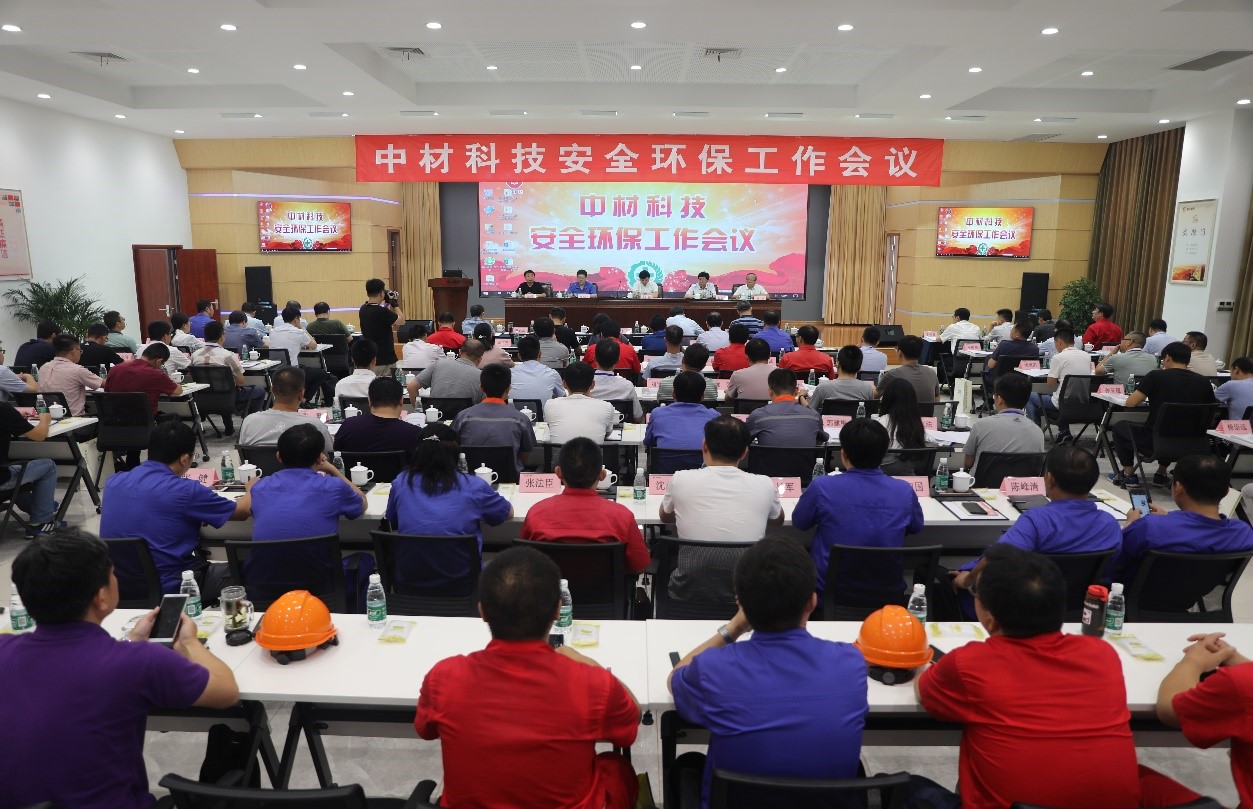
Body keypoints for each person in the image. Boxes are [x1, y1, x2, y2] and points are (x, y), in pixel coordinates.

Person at [0, 529, 239, 809]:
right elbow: (227, 692)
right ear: (101, 597)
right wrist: (189, 642)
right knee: (241, 731)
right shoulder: (140, 662)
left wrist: (133, 641)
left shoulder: (5, 649)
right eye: (112, 574)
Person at [910, 544, 1142, 809]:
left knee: (901, 788)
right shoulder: (1102, 655)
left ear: (990, 619)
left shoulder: (968, 664)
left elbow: (923, 691)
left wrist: (923, 662)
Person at [416, 546, 639, 809]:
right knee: (617, 767)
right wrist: (588, 663)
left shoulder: (443, 678)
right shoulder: (594, 684)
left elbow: (425, 730)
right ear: (558, 610)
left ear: (482, 612)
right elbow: (630, 722)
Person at [669, 537, 867, 809]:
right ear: (812, 601)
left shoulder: (713, 669)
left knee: (686, 764)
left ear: (741, 603)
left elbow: (675, 676)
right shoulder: (851, 663)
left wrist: (734, 627)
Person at [100, 421, 253, 598]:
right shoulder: (187, 491)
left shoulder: (114, 482)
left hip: (120, 588)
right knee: (256, 569)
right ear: (184, 459)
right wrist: (253, 486)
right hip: (174, 586)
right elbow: (242, 511)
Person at [950, 446, 1122, 601]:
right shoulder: (1110, 524)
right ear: (1093, 481)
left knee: (947, 580)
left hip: (1028, 609)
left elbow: (997, 558)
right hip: (1082, 609)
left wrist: (967, 580)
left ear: (1050, 479)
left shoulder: (1037, 520)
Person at [793, 419, 923, 602]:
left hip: (829, 596)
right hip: (887, 598)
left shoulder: (822, 486)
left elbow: (800, 523)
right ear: (884, 454)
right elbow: (916, 527)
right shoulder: (904, 491)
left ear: (843, 454)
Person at [660, 417, 784, 601]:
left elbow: (665, 517)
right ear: (745, 452)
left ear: (704, 446)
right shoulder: (764, 483)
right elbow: (777, 520)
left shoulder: (680, 478)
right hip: (747, 596)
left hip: (688, 592)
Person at [1112, 453, 1253, 581]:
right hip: (1192, 595)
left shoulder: (1149, 527)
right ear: (1227, 492)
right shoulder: (1243, 533)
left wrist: (1130, 523)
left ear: (1178, 487)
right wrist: (1169, 518)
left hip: (1129, 597)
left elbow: (1113, 562)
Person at [519, 437, 650, 573]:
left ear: (558, 473)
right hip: (604, 588)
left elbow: (522, 563)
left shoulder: (536, 514)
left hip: (550, 587)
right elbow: (640, 566)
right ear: (602, 475)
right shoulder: (622, 517)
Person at [1154, 632, 1253, 808]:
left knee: (1133, 778)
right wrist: (1230, 655)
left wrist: (1193, 661)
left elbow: (1169, 708)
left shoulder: (1241, 684)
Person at [387, 423, 512, 553]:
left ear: (418, 452)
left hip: (410, 565)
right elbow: (507, 513)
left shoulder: (401, 481)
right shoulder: (473, 486)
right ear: (456, 454)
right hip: (463, 566)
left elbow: (393, 518)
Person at [1110, 341, 1216, 488]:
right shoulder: (1204, 382)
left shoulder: (1156, 376)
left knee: (1120, 426)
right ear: (1188, 360)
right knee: (1174, 423)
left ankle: (1128, 474)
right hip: (1193, 443)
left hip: (1154, 441)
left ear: (1167, 358)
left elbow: (1131, 403)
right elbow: (1211, 408)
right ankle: (1161, 474)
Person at [250, 422, 366, 542]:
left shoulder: (259, 487)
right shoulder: (335, 486)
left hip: (265, 555)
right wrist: (333, 469)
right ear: (319, 458)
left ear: (279, 456)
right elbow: (362, 502)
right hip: (321, 555)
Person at [452, 363, 537, 473]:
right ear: (508, 389)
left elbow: (453, 448)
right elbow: (524, 455)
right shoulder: (521, 419)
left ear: (481, 388)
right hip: (510, 478)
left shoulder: (463, 417)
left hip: (470, 477)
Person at [0, 401, 62, 537]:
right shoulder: (3, 409)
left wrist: (15, 416)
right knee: (48, 466)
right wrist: (45, 420)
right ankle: (41, 522)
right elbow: (40, 435)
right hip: (2, 480)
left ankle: (42, 507)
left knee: (17, 471)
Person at [237, 366, 334, 453]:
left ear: (272, 390)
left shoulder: (249, 421)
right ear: (301, 394)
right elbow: (331, 453)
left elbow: (243, 453)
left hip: (261, 468)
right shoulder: (314, 425)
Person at [191, 321, 265, 434]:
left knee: (224, 389)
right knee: (259, 391)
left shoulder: (195, 355)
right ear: (222, 336)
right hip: (228, 400)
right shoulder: (228, 355)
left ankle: (229, 427)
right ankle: (249, 426)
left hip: (203, 399)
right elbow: (240, 382)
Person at [963, 373, 1045, 473]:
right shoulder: (1037, 432)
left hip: (983, 483)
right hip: (1021, 483)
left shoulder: (980, 425)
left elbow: (968, 463)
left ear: (999, 399)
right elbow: (1037, 470)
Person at [1025, 328, 1090, 442]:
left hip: (1061, 404)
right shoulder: (1086, 356)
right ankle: (1064, 432)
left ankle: (1035, 434)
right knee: (1060, 394)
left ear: (1059, 342)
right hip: (1082, 403)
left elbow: (1050, 384)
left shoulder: (1058, 357)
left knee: (1028, 395)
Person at [104, 342, 180, 438]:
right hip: (145, 423)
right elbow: (178, 391)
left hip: (115, 422)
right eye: (162, 364)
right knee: (174, 417)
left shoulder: (115, 369)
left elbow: (107, 391)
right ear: (158, 361)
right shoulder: (156, 374)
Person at [334, 377, 422, 453]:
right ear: (401, 400)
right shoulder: (415, 434)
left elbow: (336, 454)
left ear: (369, 400)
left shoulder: (348, 426)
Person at [269, 305, 334, 405]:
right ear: (296, 319)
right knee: (322, 374)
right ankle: (303, 400)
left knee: (305, 370)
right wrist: (302, 328)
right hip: (292, 372)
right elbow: (314, 345)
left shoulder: (273, 331)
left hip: (274, 371)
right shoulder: (298, 332)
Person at [744, 368, 823, 447]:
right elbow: (820, 442)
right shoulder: (814, 416)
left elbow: (743, 441)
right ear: (796, 391)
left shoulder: (758, 416)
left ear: (770, 392)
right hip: (805, 456)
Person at [645, 371, 719, 451]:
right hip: (703, 459)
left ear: (673, 394)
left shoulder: (657, 414)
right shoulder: (714, 417)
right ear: (703, 397)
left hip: (666, 459)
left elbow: (648, 441)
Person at [545, 361, 617, 444]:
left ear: (564, 384)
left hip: (560, 453)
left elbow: (551, 428)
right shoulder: (606, 407)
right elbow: (607, 433)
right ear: (593, 384)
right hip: (592, 452)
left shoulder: (550, 405)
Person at [37, 335, 104, 417]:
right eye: (80, 351)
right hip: (76, 420)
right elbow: (105, 384)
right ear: (74, 351)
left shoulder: (43, 368)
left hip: (50, 420)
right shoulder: (77, 370)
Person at [808, 345, 872, 413]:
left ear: (838, 365)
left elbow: (810, 411)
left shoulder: (822, 388)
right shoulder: (867, 389)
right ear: (859, 368)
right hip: (856, 420)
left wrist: (801, 397)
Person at [417, 339, 485, 402]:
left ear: (459, 352)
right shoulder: (482, 377)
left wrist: (418, 408)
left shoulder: (438, 364)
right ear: (479, 360)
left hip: (435, 410)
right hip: (467, 411)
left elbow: (412, 387)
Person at [590, 339, 642, 421]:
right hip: (620, 426)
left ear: (595, 359)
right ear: (618, 360)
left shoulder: (585, 386)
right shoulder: (627, 386)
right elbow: (638, 418)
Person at [876, 335, 938, 404]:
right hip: (926, 411)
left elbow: (875, 396)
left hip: (901, 411)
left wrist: (870, 387)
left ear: (900, 353)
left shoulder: (892, 374)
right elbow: (936, 399)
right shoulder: (932, 373)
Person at [360, 279, 404, 372]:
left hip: (371, 358)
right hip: (385, 360)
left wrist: (387, 303)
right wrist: (395, 304)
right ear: (381, 293)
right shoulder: (382, 311)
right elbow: (402, 320)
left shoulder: (363, 309)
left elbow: (381, 316)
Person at [874, 377, 927, 453]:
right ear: (912, 401)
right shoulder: (917, 426)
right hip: (911, 461)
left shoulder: (879, 424)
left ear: (886, 399)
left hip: (885, 461)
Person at [510, 335, 565, 406]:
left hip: (514, 413)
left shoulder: (509, 374)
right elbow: (562, 397)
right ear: (540, 354)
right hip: (543, 413)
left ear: (519, 356)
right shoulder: (552, 374)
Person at [983, 321, 1040, 386]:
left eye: (1012, 329)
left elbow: (991, 365)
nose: (1011, 331)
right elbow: (1034, 368)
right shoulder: (1034, 349)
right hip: (1023, 382)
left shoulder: (1004, 345)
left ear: (1017, 334)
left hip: (1001, 382)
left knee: (988, 358)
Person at [334, 337, 381, 402]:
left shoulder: (340, 384)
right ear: (374, 361)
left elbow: (337, 407)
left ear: (352, 359)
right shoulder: (381, 387)